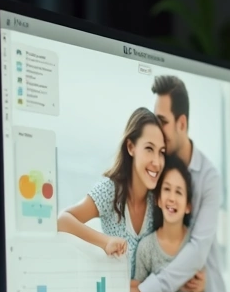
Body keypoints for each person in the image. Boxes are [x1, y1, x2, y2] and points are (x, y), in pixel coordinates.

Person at [129, 75, 228, 292]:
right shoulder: (157, 168)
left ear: (182, 123)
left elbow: (197, 251)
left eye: (162, 122)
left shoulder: (209, 178)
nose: (156, 130)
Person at [58, 107, 165, 274]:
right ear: (131, 147)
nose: (157, 162)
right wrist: (105, 242)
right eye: (149, 149)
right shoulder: (111, 192)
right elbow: (62, 220)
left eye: (161, 152)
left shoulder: (159, 201)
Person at [130, 155, 204, 292]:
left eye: (179, 192)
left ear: (188, 206)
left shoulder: (194, 247)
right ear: (159, 199)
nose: (172, 197)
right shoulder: (146, 248)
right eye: (167, 189)